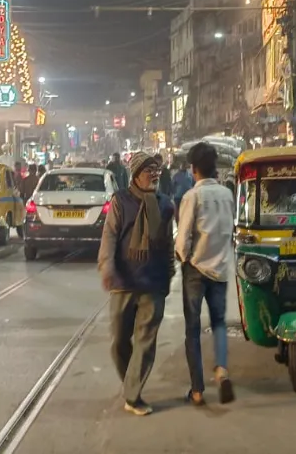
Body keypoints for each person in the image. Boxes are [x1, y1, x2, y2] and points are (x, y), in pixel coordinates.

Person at [98, 152, 175, 416]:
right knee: (119, 341)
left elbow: (167, 244)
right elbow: (109, 237)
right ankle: (131, 381)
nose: (154, 175)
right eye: (148, 171)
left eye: (156, 171)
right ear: (135, 174)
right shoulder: (120, 201)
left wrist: (170, 273)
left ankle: (133, 395)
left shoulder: (165, 205)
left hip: (153, 282)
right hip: (123, 281)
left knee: (145, 341)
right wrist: (107, 267)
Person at [174, 143, 235, 406]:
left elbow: (183, 235)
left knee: (192, 330)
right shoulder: (227, 194)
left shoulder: (192, 197)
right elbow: (230, 229)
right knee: (219, 323)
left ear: (194, 168)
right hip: (220, 269)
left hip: (196, 270)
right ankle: (221, 370)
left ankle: (197, 390)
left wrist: (184, 257)